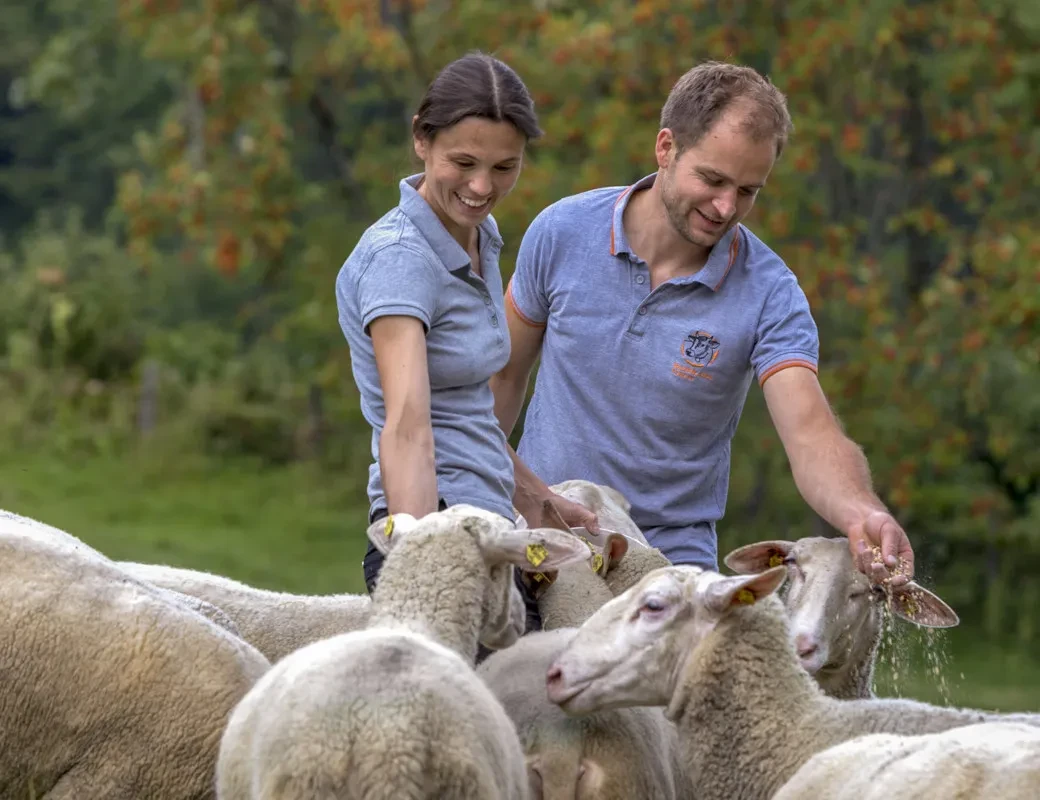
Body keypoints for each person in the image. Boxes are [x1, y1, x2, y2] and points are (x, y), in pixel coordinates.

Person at [491, 60, 915, 587]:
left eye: (748, 191)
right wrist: (490, 494)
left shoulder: (771, 293)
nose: (725, 207)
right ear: (666, 148)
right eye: (713, 179)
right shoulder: (561, 231)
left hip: (669, 573)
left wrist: (860, 511)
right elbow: (500, 380)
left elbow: (810, 434)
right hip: (545, 534)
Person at [334, 52, 595, 628]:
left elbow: (464, 410)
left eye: (505, 167)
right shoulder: (401, 258)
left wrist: (535, 496)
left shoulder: (480, 237)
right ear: (421, 141)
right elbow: (406, 423)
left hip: (492, 523)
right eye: (464, 162)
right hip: (443, 531)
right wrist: (427, 568)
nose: (482, 186)